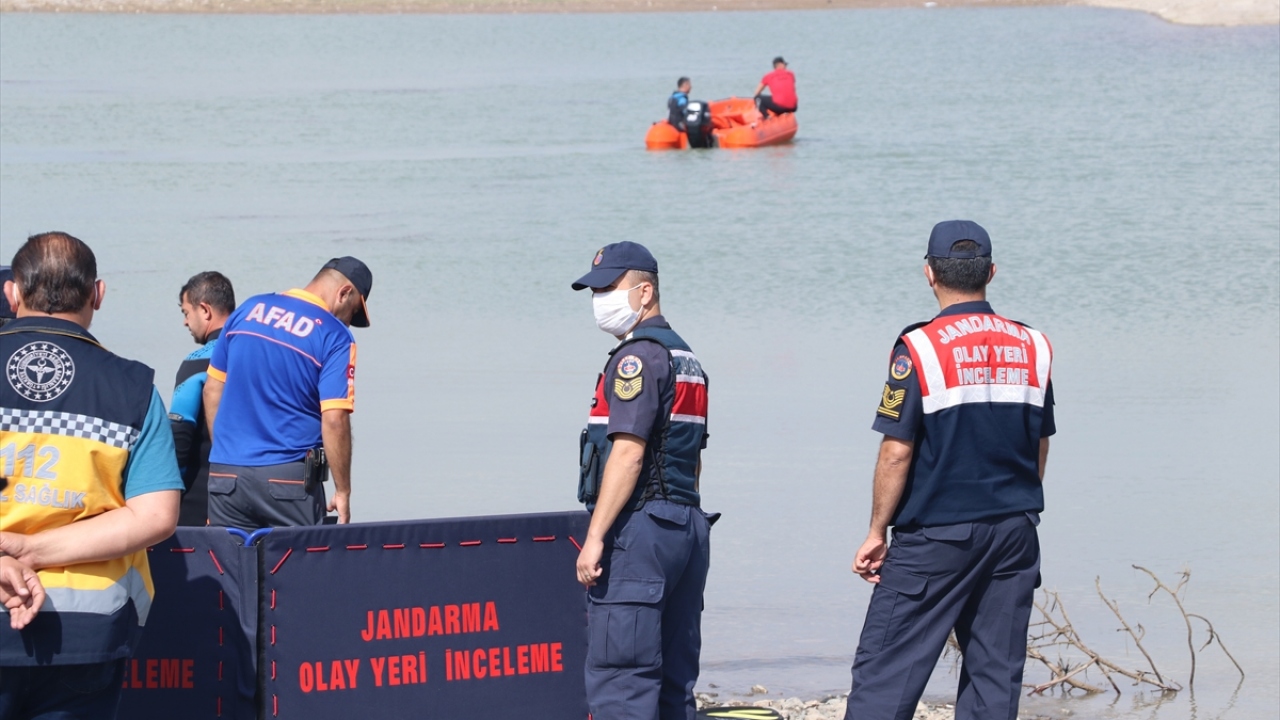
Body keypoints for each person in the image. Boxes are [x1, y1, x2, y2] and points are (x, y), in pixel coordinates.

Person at [843, 220, 1055, 720]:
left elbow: (897, 450)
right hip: (1014, 530)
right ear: (992, 273)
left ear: (929, 274)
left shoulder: (918, 347)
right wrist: (1017, 504)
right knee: (994, 677)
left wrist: (876, 530)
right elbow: (1039, 442)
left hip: (936, 536)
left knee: (886, 673)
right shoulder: (1033, 345)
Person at [0, 232, 183, 719]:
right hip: (85, 631)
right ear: (97, 295)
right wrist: (34, 549)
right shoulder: (133, 388)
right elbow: (157, 515)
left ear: (13, 293)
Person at [571, 241, 715, 720]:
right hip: (686, 526)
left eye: (610, 288)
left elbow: (628, 455)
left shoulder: (637, 358)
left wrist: (594, 538)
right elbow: (692, 458)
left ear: (645, 291)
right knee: (675, 685)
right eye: (595, 290)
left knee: (623, 682)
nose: (600, 300)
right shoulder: (687, 357)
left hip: (641, 532)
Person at [203, 257, 372, 529]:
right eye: (352, 313)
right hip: (287, 482)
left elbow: (212, 389)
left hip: (226, 476)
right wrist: (343, 491)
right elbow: (334, 419)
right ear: (344, 293)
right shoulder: (335, 336)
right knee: (299, 568)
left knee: (228, 567)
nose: (349, 323)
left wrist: (225, 454)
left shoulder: (248, 309)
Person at [170, 271, 235, 526]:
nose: (186, 323)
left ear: (205, 310)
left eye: (187, 313)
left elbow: (179, 436)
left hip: (203, 499)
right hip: (256, 493)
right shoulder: (260, 353)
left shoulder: (197, 363)